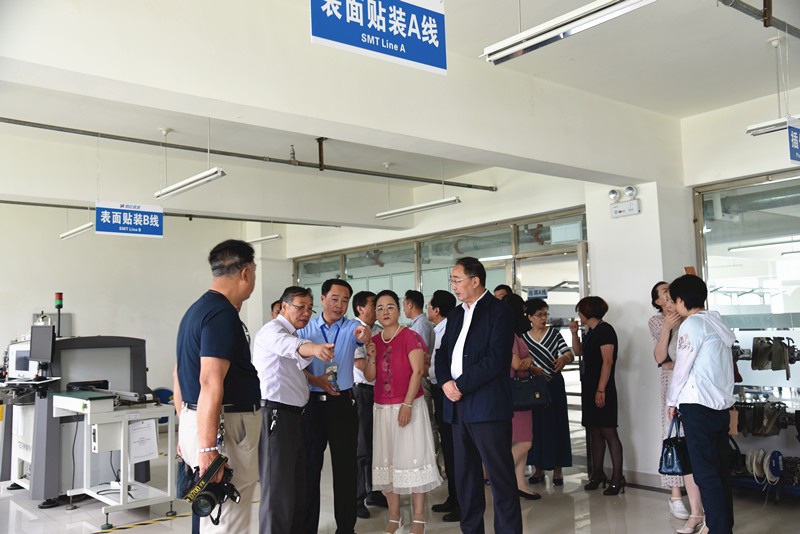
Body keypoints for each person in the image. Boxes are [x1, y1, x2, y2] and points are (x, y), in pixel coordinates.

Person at [173, 239, 261, 534]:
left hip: (197, 420)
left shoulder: (195, 311)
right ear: (245, 272)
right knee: (228, 517)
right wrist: (208, 447)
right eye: (254, 271)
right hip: (225, 427)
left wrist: (187, 429)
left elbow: (178, 374)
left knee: (214, 514)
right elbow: (210, 381)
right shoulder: (223, 315)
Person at [435, 257, 523, 534]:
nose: (453, 286)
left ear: (475, 281)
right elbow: (441, 353)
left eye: (457, 280)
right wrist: (445, 382)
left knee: (500, 476)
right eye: (452, 280)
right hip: (456, 406)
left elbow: (496, 359)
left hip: (487, 406)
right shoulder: (455, 314)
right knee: (466, 476)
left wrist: (459, 385)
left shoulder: (498, 311)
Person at [357, 290, 441, 534]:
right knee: (388, 464)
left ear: (399, 309)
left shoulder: (410, 336)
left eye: (390, 307)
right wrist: (371, 358)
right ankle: (395, 518)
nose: (385, 312)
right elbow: (370, 377)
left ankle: (418, 519)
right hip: (382, 408)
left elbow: (418, 371)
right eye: (380, 308)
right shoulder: (374, 340)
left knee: (413, 461)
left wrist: (407, 405)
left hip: (409, 406)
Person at [253, 286, 335, 534]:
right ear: (284, 306)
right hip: (276, 416)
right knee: (278, 490)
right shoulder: (273, 331)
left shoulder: (290, 332)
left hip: (295, 417)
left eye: (310, 308)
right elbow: (295, 346)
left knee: (296, 487)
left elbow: (292, 367)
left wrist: (316, 380)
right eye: (301, 307)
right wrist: (316, 348)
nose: (306, 313)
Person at [298, 279, 372, 534]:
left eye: (345, 300)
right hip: (312, 405)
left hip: (342, 405)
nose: (339, 305)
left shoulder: (352, 328)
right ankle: (308, 528)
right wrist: (314, 380)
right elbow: (295, 365)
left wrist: (365, 335)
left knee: (345, 470)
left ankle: (346, 528)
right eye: (334, 299)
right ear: (322, 299)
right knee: (310, 469)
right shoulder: (306, 329)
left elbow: (363, 335)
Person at [668, 274, 735, 534]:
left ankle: (718, 529)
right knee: (720, 470)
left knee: (705, 472)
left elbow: (682, 368)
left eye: (674, 300)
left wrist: (672, 400)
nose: (674, 306)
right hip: (720, 407)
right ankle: (724, 525)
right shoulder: (716, 322)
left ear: (681, 299)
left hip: (697, 405)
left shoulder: (693, 324)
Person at [649, 282, 705, 534]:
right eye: (665, 294)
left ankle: (699, 510)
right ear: (658, 302)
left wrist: (673, 362)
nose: (669, 298)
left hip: (694, 391)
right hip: (672, 388)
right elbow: (662, 360)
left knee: (692, 446)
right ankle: (678, 497)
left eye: (671, 293)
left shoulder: (692, 319)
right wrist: (667, 328)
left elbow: (683, 360)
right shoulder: (657, 321)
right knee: (674, 440)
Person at [569, 296, 625, 496]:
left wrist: (601, 389)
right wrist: (574, 334)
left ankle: (617, 478)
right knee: (594, 431)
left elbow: (607, 362)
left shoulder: (605, 330)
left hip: (602, 387)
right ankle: (598, 474)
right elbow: (579, 352)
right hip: (589, 386)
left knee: (608, 431)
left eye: (580, 311)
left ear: (588, 311)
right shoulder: (590, 331)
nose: (579, 314)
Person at [522, 298, 574, 488]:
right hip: (534, 386)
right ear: (529, 317)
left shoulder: (554, 334)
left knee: (557, 423)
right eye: (539, 315)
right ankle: (538, 468)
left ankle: (558, 468)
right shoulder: (523, 338)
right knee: (536, 426)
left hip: (554, 385)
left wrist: (564, 359)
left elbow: (569, 353)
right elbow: (522, 361)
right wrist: (530, 368)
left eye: (545, 314)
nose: (543, 318)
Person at [351, 290, 388, 518]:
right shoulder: (356, 331)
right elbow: (360, 364)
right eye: (374, 305)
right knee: (362, 447)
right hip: (362, 392)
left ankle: (374, 491)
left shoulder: (378, 331)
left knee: (376, 445)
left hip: (378, 392)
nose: (378, 309)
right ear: (360, 308)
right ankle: (357, 498)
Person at [426, 290, 460, 523]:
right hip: (440, 391)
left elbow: (441, 364)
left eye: (429, 306)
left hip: (447, 392)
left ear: (437, 310)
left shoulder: (447, 330)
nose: (428, 309)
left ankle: (459, 502)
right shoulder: (438, 329)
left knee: (453, 448)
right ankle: (453, 497)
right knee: (448, 448)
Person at [502, 293, 540, 500]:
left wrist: (528, 361)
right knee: (525, 442)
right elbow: (517, 364)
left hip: (516, 393)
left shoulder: (510, 333)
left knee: (521, 440)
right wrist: (530, 360)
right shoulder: (511, 335)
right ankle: (499, 474)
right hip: (518, 392)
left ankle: (520, 484)